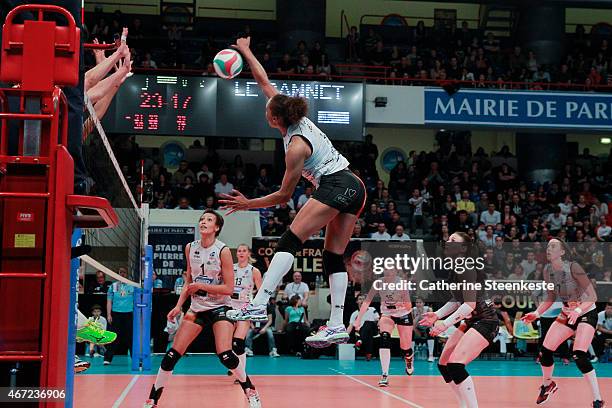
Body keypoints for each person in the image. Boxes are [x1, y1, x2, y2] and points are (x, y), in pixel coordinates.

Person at [221, 37, 367, 348]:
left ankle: (259, 302)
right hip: (354, 186)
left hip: (337, 185)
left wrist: (249, 204)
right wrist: (246, 51)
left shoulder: (295, 147)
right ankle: (338, 325)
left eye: (267, 112)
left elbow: (284, 196)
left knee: (291, 239)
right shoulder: (290, 114)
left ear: (275, 119)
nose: (265, 110)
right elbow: (263, 81)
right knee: (332, 255)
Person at [144, 210, 261, 408]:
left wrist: (202, 287)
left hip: (220, 307)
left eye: (208, 220)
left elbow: (229, 288)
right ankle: (153, 399)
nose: (203, 222)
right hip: (196, 307)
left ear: (216, 228)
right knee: (171, 356)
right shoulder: (190, 247)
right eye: (201, 219)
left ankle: (250, 390)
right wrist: (178, 305)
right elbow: (189, 280)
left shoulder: (223, 250)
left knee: (225, 354)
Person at [419, 232, 499, 408]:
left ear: (463, 248)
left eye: (453, 240)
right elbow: (457, 300)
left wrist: (445, 324)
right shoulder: (455, 267)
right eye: (448, 239)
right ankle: (464, 404)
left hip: (486, 321)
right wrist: (437, 315)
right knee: (444, 365)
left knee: (455, 364)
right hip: (471, 321)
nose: (447, 242)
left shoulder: (466, 267)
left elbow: (469, 305)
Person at [522, 239, 603, 407]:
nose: (548, 248)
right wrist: (536, 313)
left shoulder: (573, 267)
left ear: (562, 252)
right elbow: (551, 297)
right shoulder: (547, 270)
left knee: (579, 354)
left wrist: (578, 310)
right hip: (567, 313)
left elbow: (593, 296)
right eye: (548, 246)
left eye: (553, 246)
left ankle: (597, 399)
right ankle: (547, 385)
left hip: (586, 312)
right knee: (545, 351)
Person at [354, 268, 414, 387]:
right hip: (387, 314)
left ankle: (409, 359)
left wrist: (399, 301)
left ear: (396, 272)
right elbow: (366, 302)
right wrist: (358, 319)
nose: (388, 273)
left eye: (391, 271)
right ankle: (384, 375)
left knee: (406, 348)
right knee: (384, 338)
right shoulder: (378, 283)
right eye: (386, 270)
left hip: (403, 314)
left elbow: (409, 306)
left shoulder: (402, 283)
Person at [228, 244, 262, 382]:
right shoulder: (231, 268)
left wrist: (255, 306)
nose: (241, 253)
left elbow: (261, 291)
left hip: (244, 308)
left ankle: (241, 375)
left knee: (237, 342)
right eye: (239, 251)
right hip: (229, 307)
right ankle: (234, 366)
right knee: (228, 342)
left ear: (248, 254)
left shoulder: (254, 271)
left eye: (244, 251)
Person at [104, 267, 135, 365]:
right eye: (120, 272)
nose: (122, 274)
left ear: (127, 274)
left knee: (130, 337)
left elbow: (136, 301)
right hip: (116, 314)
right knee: (113, 337)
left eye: (124, 272)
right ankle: (107, 359)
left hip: (129, 314)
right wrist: (109, 314)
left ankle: (135, 359)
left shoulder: (132, 286)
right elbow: (109, 301)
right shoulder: (113, 286)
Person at [347, 294, 379, 361]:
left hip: (374, 330)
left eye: (364, 299)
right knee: (368, 333)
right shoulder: (354, 314)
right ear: (357, 301)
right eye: (360, 299)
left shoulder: (372, 309)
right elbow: (350, 326)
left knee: (368, 323)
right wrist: (345, 336)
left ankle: (360, 341)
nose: (362, 301)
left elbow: (378, 321)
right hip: (362, 332)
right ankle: (369, 354)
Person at [412, 297, 435, 362]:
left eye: (420, 302)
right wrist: (418, 315)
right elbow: (413, 325)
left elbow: (430, 324)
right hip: (417, 328)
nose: (418, 304)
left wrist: (422, 314)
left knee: (430, 332)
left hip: (426, 327)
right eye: (417, 302)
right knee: (411, 332)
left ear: (423, 303)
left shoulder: (428, 309)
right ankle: (412, 355)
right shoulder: (413, 310)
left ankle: (431, 355)